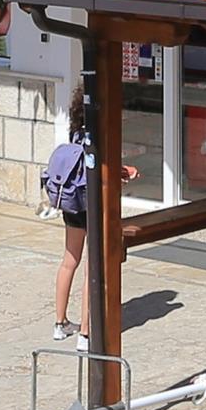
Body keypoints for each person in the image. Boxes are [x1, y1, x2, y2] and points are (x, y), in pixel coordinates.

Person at [44, 90, 137, 342]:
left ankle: (60, 323)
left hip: (71, 202)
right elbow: (103, 167)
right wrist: (125, 172)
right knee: (91, 268)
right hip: (92, 204)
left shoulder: (75, 132)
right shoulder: (100, 134)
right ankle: (86, 333)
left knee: (69, 261)